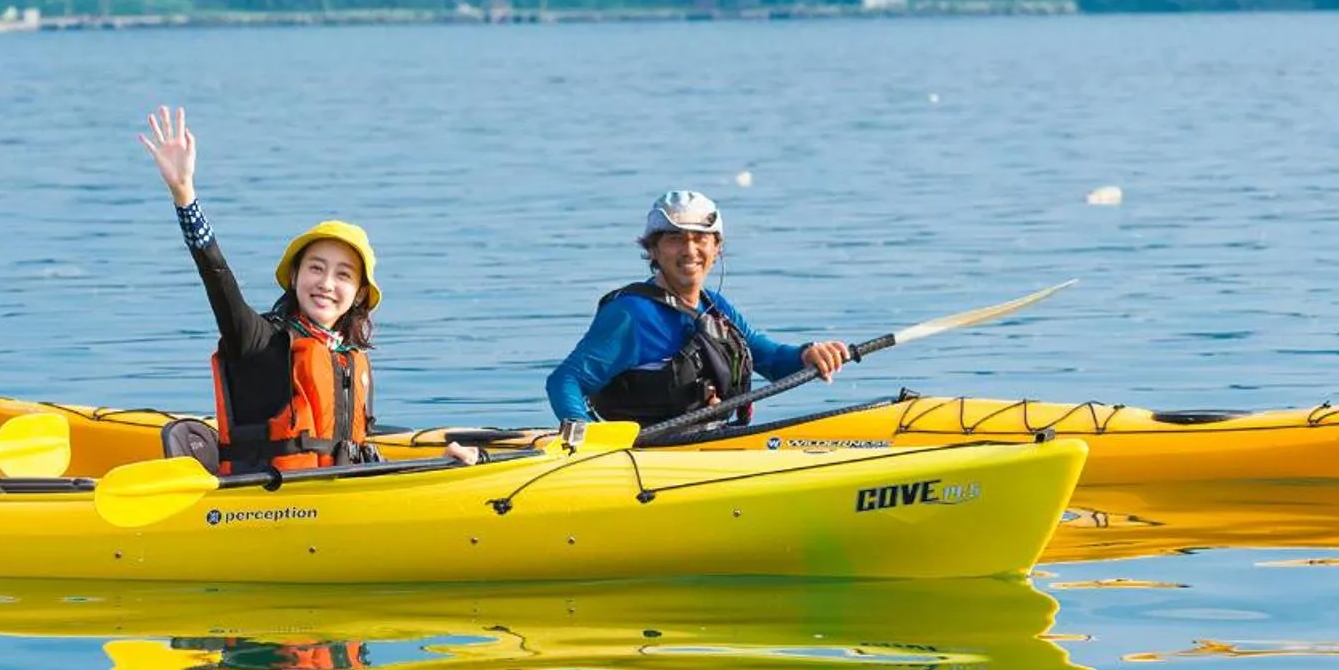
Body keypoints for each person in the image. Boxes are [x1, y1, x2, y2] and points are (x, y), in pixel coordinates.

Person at [138, 108, 477, 474]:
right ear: (295, 275)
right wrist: (185, 196)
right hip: (271, 499)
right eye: (316, 268)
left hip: (339, 491)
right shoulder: (259, 342)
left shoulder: (347, 357)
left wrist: (442, 463)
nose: (326, 284)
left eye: (343, 274)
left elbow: (360, 457)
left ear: (359, 294)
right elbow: (217, 277)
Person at [545, 189, 850, 433]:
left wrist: (808, 355)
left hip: (711, 445)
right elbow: (565, 381)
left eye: (700, 239)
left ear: (717, 249)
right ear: (653, 250)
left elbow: (769, 358)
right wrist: (590, 439)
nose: (690, 251)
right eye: (675, 239)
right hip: (648, 459)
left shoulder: (716, 307)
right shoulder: (631, 314)